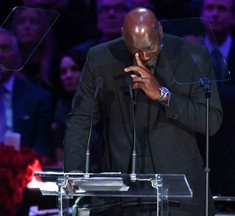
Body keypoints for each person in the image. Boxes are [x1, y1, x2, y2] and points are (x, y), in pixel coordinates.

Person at [64, 7, 223, 215]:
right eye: (136, 49)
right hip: (119, 193)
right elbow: (80, 120)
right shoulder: (100, 58)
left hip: (178, 191)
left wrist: (163, 95)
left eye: (150, 47)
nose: (144, 56)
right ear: (123, 36)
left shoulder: (192, 56)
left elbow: (211, 120)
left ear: (161, 31)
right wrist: (75, 173)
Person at [0, 27, 53, 163]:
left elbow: (42, 147)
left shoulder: (38, 98)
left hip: (21, 172)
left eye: (4, 48)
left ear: (16, 56)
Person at [51, 49, 86, 167]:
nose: (68, 76)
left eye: (74, 69)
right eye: (63, 72)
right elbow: (59, 149)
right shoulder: (61, 106)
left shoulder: (102, 103)